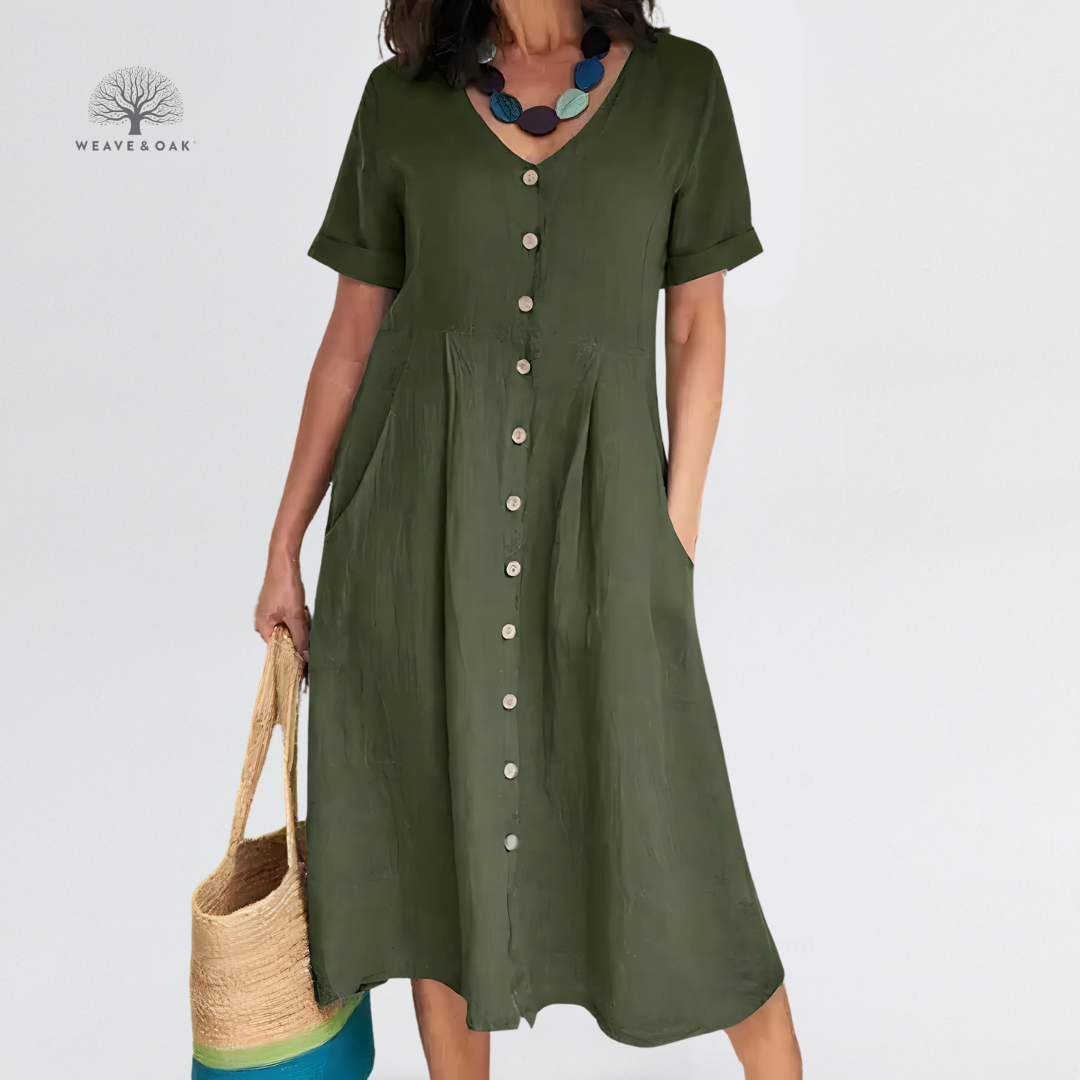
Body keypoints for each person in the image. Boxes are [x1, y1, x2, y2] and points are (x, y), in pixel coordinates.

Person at [255, 1, 802, 1076]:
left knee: (676, 842)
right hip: (414, 528)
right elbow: (352, 335)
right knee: (439, 852)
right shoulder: (401, 102)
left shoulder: (682, 88)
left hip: (607, 521)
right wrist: (285, 542)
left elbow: (697, 321)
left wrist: (674, 527)